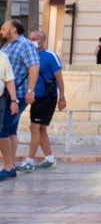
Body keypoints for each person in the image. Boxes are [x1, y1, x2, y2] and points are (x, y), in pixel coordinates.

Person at [17, 31, 65, 172]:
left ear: (42, 41)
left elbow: (59, 78)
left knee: (34, 127)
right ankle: (49, 159)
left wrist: (62, 97)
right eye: (29, 38)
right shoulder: (29, 55)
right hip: (35, 96)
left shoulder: (50, 56)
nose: (31, 40)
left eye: (34, 39)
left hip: (46, 97)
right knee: (41, 128)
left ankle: (30, 161)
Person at [0, 20, 39, 181]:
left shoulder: (25, 44)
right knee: (10, 130)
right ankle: (11, 165)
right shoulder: (7, 46)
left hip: (19, 94)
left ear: (13, 30)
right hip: (7, 95)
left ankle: (8, 165)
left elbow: (34, 66)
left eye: (3, 28)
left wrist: (30, 91)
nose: (1, 31)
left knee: (3, 129)